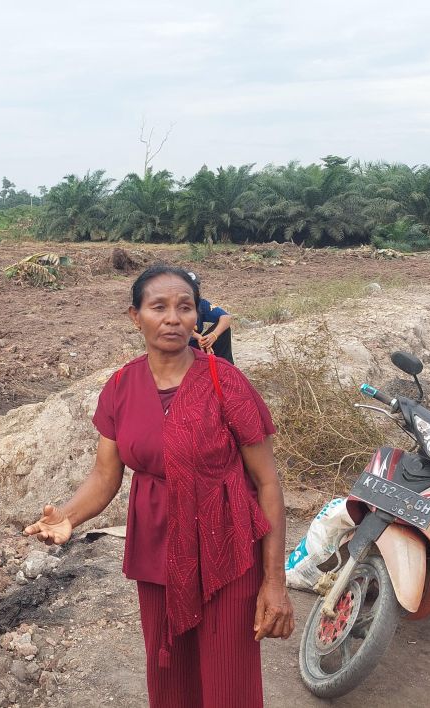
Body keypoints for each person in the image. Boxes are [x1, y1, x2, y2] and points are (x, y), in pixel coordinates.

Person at [25, 264, 293, 707]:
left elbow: (267, 483)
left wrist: (275, 582)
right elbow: (105, 475)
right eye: (159, 307)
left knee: (230, 683)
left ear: (197, 317)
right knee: (169, 679)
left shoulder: (225, 382)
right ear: (136, 316)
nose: (173, 318)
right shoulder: (121, 387)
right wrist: (68, 516)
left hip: (226, 547)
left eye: (185, 308)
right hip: (157, 550)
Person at [185, 273, 233, 363]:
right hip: (180, 346)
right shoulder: (175, 305)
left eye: (196, 288)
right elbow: (176, 326)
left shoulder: (201, 303)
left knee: (224, 329)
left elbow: (226, 317)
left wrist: (213, 336)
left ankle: (226, 367)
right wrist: (197, 336)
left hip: (197, 345)